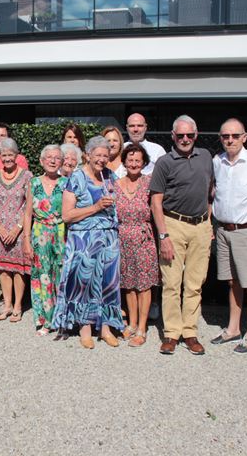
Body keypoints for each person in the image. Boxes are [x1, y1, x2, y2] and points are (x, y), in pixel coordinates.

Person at [150, 115, 214, 356]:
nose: (185, 139)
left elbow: (210, 191)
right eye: (180, 135)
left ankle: (190, 332)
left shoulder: (206, 156)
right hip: (173, 224)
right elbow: (156, 202)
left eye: (189, 135)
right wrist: (163, 236)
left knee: (195, 284)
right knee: (172, 283)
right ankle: (171, 333)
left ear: (196, 135)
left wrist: (208, 223)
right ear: (173, 136)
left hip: (200, 226)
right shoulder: (164, 162)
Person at [51, 136, 123, 349]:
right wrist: (96, 207)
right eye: (98, 155)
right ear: (88, 155)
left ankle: (106, 328)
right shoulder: (77, 178)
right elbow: (67, 215)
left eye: (105, 155)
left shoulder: (110, 176)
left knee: (108, 283)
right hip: (84, 239)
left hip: (108, 238)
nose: (102, 159)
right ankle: (85, 328)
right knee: (85, 284)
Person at [210, 118, 247, 354]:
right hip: (223, 229)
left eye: (235, 136)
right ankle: (233, 327)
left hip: (246, 231)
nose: (230, 140)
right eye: (225, 136)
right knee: (232, 281)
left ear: (245, 137)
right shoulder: (217, 161)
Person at [115, 143, 159, 347]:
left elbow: (158, 209)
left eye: (137, 161)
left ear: (144, 163)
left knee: (143, 285)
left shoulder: (150, 183)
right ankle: (131, 323)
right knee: (128, 284)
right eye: (130, 160)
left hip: (143, 238)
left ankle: (142, 327)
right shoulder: (115, 185)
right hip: (122, 237)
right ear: (124, 162)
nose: (133, 164)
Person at [0, 138, 32, 322]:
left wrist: (18, 227)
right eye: (3, 155)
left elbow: (29, 204)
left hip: (19, 230)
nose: (7, 159)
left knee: (18, 268)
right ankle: (7, 305)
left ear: (17, 155)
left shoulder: (27, 176)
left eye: (10, 155)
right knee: (3, 268)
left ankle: (18, 305)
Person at [23, 144, 67, 335]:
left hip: (61, 232)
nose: (52, 160)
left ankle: (61, 318)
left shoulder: (67, 182)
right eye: (48, 157)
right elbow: (27, 214)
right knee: (42, 275)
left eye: (57, 158)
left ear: (62, 162)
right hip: (39, 232)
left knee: (61, 274)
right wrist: (25, 239)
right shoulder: (33, 182)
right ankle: (44, 320)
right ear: (41, 161)